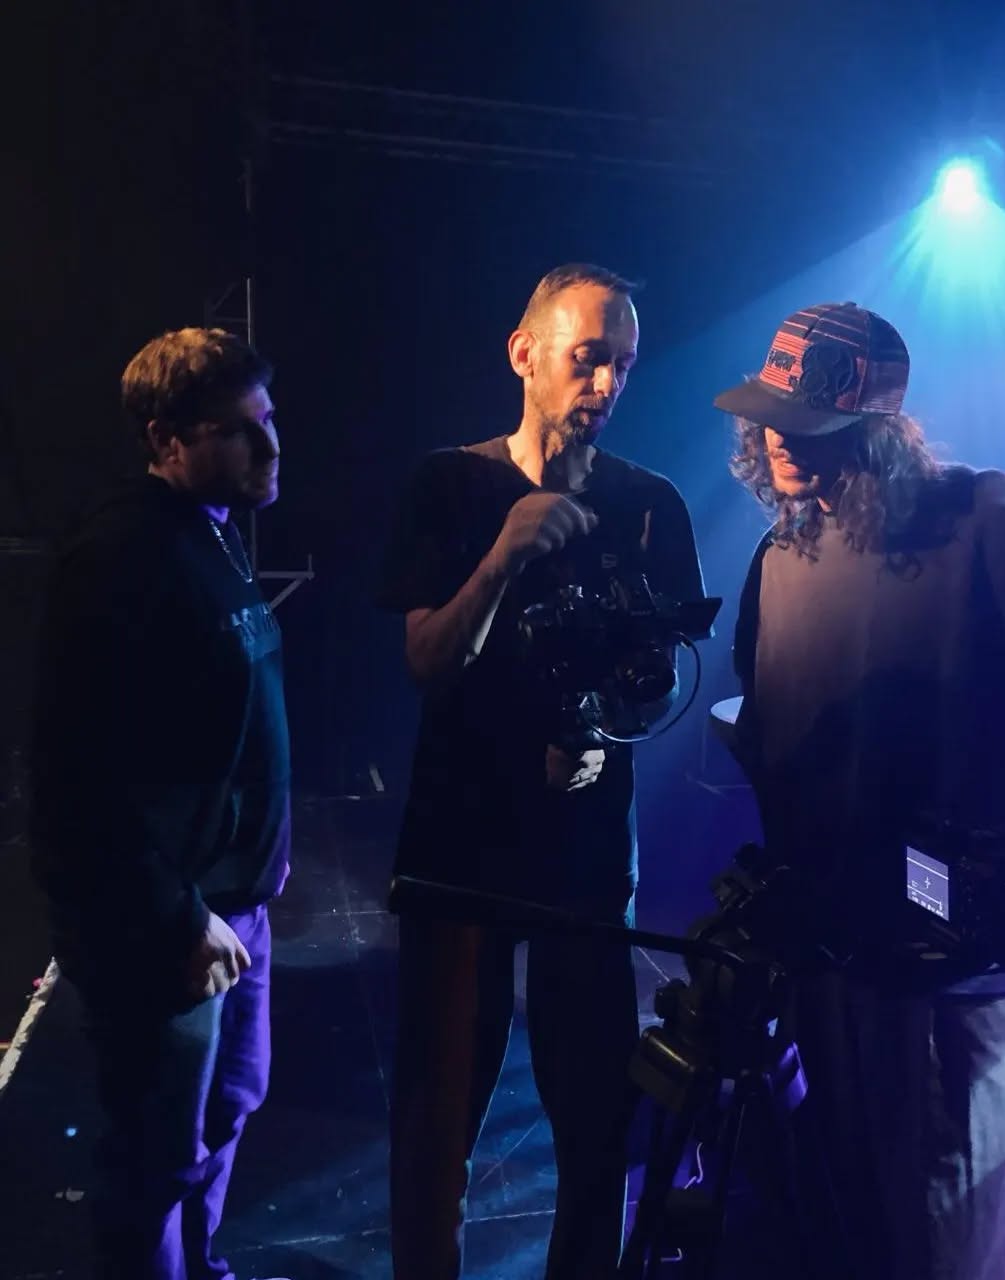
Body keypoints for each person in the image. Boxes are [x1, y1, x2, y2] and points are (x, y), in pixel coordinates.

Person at [378, 263, 708, 1279]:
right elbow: (426, 659)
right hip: (461, 850)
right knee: (437, 1120)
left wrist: (607, 729)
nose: (605, 384)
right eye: (587, 358)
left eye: (623, 365)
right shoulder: (451, 484)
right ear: (525, 354)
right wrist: (504, 555)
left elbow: (662, 681)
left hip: (585, 863)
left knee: (595, 1119)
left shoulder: (650, 504)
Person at [714, 301, 1005, 1280]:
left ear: (882, 428)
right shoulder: (777, 558)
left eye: (809, 424)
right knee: (860, 1223)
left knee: (948, 1237)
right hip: (831, 955)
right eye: (770, 415)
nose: (781, 438)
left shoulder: (986, 521)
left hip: (958, 962)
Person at [30, 328, 292, 1280]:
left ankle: (202, 1266)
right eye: (239, 430)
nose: (270, 446)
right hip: (170, 930)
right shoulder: (120, 556)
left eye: (269, 419)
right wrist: (180, 916)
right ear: (166, 438)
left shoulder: (211, 531)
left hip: (233, 909)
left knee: (225, 1110)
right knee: (154, 1157)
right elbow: (75, 776)